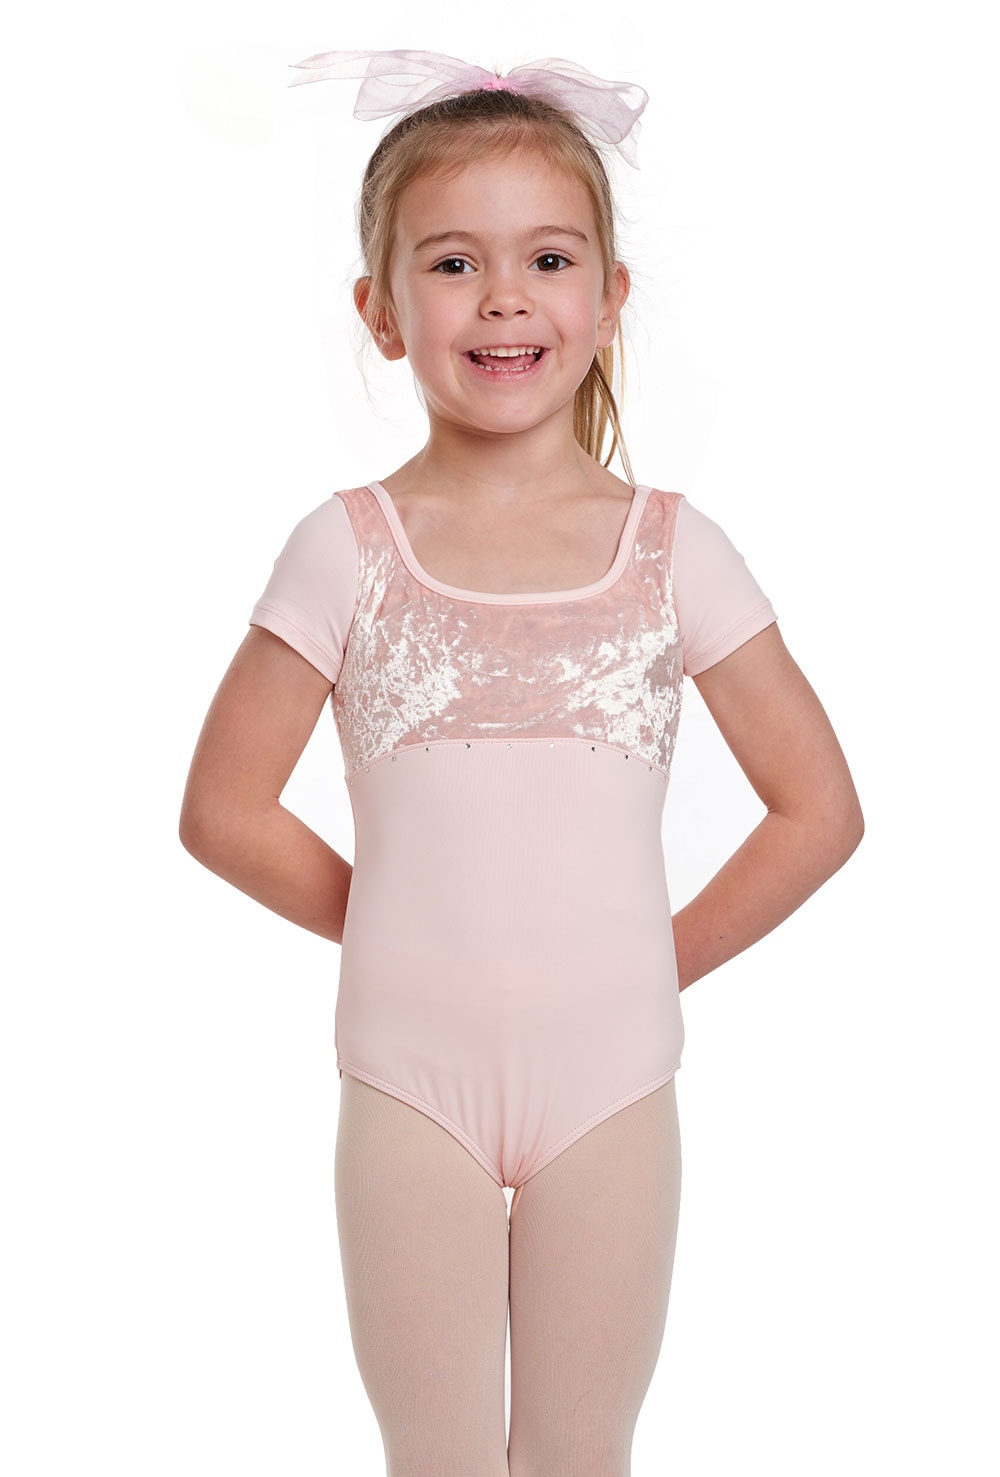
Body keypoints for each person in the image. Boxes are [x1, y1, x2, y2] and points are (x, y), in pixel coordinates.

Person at [179, 49, 864, 1477]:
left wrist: (652, 961)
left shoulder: (673, 551)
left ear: (609, 301)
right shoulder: (348, 548)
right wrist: (392, 927)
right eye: (453, 262)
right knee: (433, 1459)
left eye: (548, 258)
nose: (503, 297)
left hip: (610, 1078)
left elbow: (819, 810)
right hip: (409, 1080)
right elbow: (224, 809)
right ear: (381, 312)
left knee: (578, 1455)